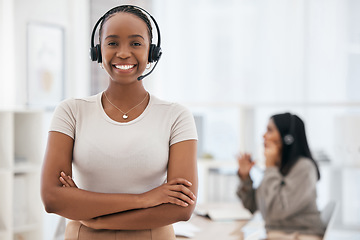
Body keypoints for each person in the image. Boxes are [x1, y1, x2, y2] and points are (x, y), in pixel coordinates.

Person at [41, 5, 198, 240]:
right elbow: (52, 199)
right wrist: (145, 199)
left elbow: (182, 207)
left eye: (136, 43)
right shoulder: (71, 111)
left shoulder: (176, 116)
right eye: (112, 43)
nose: (123, 53)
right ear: (98, 51)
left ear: (152, 52)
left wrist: (93, 216)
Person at [237, 113, 325, 240]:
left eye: (270, 130)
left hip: (299, 235)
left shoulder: (304, 168)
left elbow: (276, 212)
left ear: (287, 138)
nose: (263, 136)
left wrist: (271, 168)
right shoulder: (277, 168)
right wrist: (245, 178)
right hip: (280, 235)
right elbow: (254, 206)